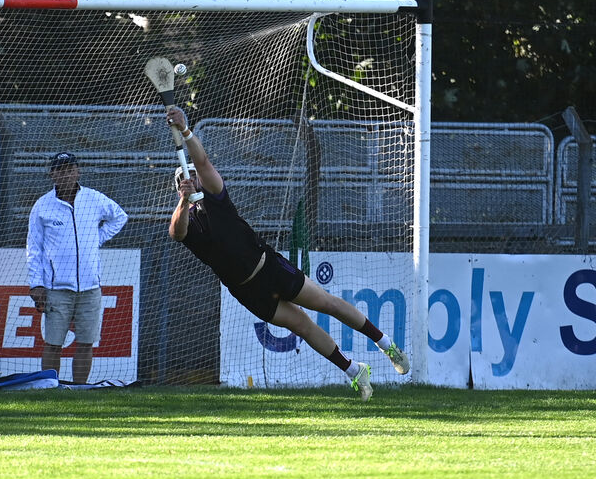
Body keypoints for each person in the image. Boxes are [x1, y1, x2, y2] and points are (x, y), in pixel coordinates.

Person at [165, 107, 409, 401]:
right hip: (246, 291)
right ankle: (354, 371)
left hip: (268, 267)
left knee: (327, 304)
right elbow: (176, 233)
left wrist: (187, 130)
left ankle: (385, 344)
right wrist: (183, 200)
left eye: (193, 177)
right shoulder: (187, 221)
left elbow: (202, 161)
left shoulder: (216, 195)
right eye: (185, 180)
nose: (192, 180)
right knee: (303, 326)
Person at [26, 152, 128, 384]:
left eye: (70, 169)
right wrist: (37, 284)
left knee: (86, 342)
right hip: (56, 289)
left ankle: (80, 390)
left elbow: (120, 217)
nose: (66, 174)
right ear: (51, 174)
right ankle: (50, 387)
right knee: (53, 343)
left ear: (78, 171)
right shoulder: (42, 206)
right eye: (60, 170)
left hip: (90, 287)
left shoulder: (93, 199)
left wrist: (97, 238)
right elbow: (34, 248)